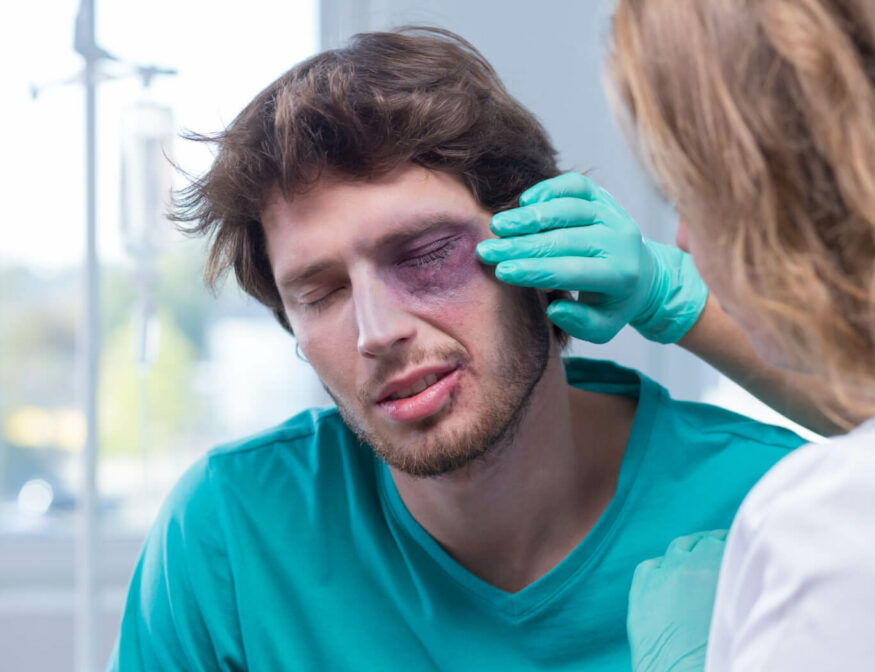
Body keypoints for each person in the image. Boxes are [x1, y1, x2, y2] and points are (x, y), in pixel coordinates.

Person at [106, 27, 825, 671]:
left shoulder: (766, 505)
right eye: (319, 292)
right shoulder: (233, 535)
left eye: (424, 254)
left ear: (545, 249)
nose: (376, 331)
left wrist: (688, 307)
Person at [482, 1, 875, 669]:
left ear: (802, 189)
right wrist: (666, 300)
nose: (679, 241)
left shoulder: (863, 527)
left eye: (692, 190)